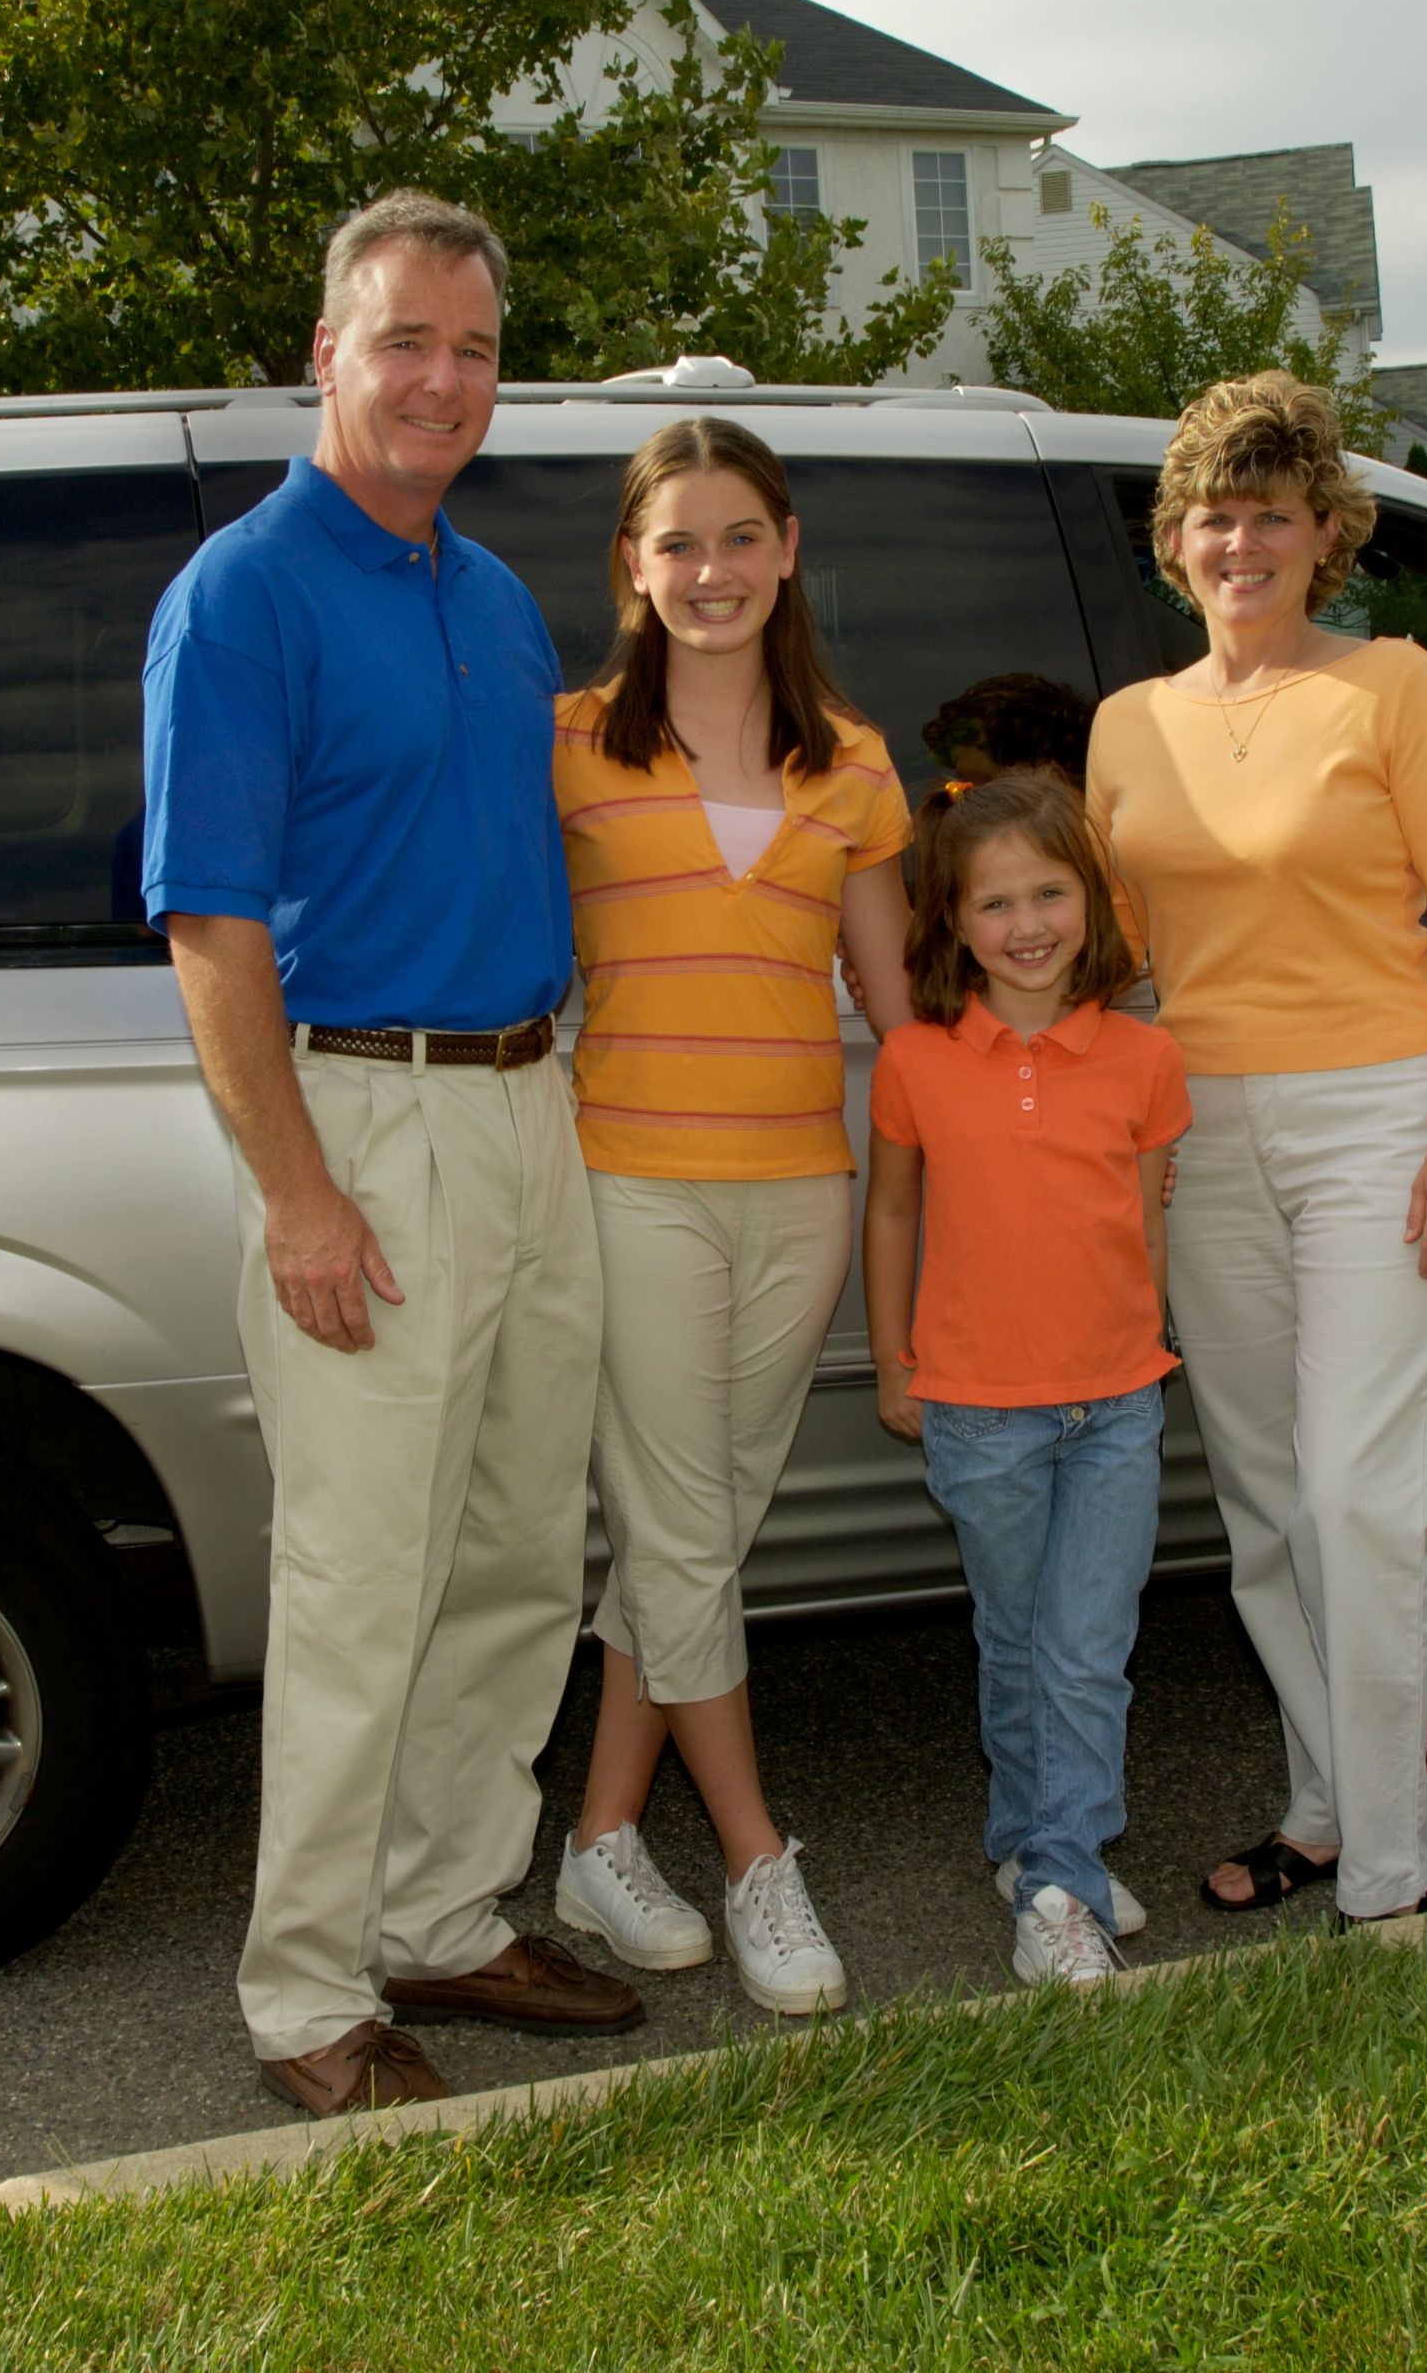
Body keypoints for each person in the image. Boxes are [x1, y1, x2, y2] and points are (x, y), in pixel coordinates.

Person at [141, 190, 640, 2119]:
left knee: (519, 1548)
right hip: (363, 1116)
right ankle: (307, 1996)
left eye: (475, 346)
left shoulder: (490, 595)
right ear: (324, 356)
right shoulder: (246, 594)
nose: (442, 378)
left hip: (531, 1105)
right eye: (404, 340)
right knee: (363, 1580)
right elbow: (211, 929)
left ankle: (445, 1907)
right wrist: (297, 1192)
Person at [1083, 369, 1427, 1931]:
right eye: (1211, 516)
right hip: (1204, 1125)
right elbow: (1117, 954)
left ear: (1325, 533)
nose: (1237, 542)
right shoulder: (1130, 725)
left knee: (1356, 1500)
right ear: (1173, 544)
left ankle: (1396, 1871)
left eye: (1269, 514)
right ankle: (1324, 1809)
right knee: (1266, 1505)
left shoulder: (1390, 687)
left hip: (1382, 1120)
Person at [546, 418, 917, 2017]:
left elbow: (897, 1010)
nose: (713, 572)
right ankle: (761, 1856)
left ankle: (604, 1838)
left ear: (787, 550)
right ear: (633, 565)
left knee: (696, 1528)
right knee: (688, 1526)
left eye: (741, 538)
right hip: (629, 1178)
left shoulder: (854, 762)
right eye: (678, 543)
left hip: (800, 1189)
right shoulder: (562, 743)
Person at [861, 770, 1190, 1991]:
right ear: (951, 921)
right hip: (978, 1410)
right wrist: (899, 1361)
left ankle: (1059, 1881)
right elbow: (893, 1213)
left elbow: (1147, 1226)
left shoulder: (1145, 1057)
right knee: (1016, 1639)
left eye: (1051, 892)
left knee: (1086, 1647)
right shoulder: (916, 1059)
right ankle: (1028, 1842)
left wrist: (1152, 1346)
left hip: (1115, 1404)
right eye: (994, 902)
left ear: (1093, 904)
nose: (1027, 924)